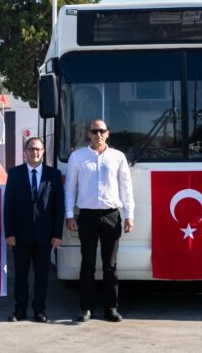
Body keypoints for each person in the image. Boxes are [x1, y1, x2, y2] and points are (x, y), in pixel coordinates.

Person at [65, 119, 135, 323]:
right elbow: (70, 187)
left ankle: (111, 308)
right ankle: (86, 308)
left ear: (108, 133)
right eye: (94, 131)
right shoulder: (77, 157)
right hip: (86, 216)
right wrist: (69, 215)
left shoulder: (117, 157)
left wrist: (129, 214)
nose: (98, 134)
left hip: (111, 216)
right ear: (88, 134)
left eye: (102, 131)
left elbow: (126, 187)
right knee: (87, 264)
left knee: (110, 266)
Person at [4, 137, 64, 323]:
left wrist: (57, 234)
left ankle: (39, 310)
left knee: (42, 276)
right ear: (25, 151)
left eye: (38, 149)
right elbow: (9, 206)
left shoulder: (53, 174)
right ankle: (19, 310)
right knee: (20, 275)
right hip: (20, 236)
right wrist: (10, 233)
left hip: (44, 236)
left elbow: (58, 207)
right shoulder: (15, 174)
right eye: (31, 149)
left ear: (43, 151)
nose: (34, 152)